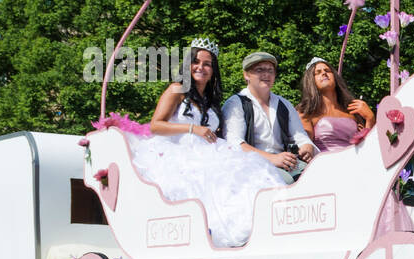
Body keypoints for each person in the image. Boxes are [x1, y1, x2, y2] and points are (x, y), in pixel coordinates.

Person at [130, 39, 285, 247]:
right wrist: (193, 129)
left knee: (245, 176)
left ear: (213, 70)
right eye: (196, 62)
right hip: (179, 152)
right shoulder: (177, 89)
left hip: (209, 152)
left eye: (207, 64)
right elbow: (156, 125)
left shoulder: (210, 99)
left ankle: (256, 229)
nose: (201, 67)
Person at [222, 52, 316, 182]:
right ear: (246, 75)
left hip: (285, 161)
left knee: (316, 175)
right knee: (286, 181)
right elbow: (234, 143)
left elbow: (299, 135)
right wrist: (272, 159)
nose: (266, 74)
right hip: (250, 164)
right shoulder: (236, 103)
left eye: (270, 70)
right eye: (259, 70)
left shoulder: (284, 104)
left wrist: (306, 146)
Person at [297, 57, 376, 151]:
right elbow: (304, 148)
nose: (324, 73)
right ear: (311, 80)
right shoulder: (306, 112)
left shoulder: (353, 110)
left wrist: (370, 118)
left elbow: (368, 147)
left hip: (355, 163)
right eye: (317, 72)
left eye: (327, 70)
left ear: (335, 76)